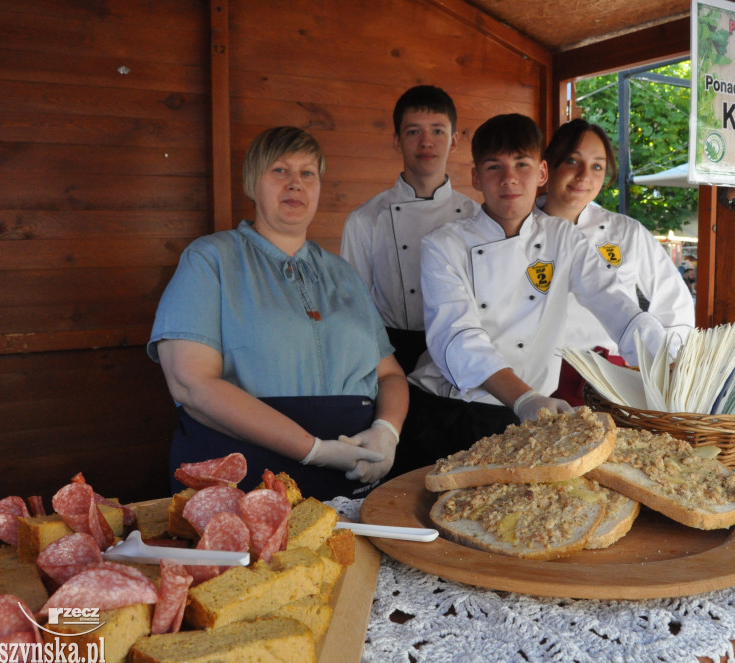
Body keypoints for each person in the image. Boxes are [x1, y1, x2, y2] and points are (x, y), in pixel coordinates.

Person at [393, 113, 673, 476]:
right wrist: (525, 398)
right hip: (453, 411)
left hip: (534, 414)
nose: (509, 179)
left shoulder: (564, 238)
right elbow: (458, 337)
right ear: (477, 177)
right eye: (494, 167)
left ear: (541, 173)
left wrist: (665, 364)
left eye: (521, 165)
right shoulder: (444, 244)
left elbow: (612, 299)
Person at [148, 126, 409, 499]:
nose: (295, 184)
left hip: (351, 477)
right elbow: (192, 384)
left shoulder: (343, 273)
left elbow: (390, 374)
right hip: (246, 478)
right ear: (252, 183)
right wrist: (314, 450)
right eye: (280, 171)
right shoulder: (209, 260)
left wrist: (388, 430)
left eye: (308, 173)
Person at [536, 119, 695, 404]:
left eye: (597, 166)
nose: (585, 175)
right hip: (535, 381)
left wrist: (666, 370)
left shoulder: (626, 232)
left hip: (611, 382)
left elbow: (675, 305)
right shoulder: (520, 230)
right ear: (547, 166)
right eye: (573, 161)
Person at [341, 85, 480, 373]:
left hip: (461, 350)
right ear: (397, 140)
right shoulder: (366, 219)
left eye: (438, 131)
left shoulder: (475, 216)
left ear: (454, 141)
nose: (426, 142)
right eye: (414, 131)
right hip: (390, 353)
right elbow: (352, 307)